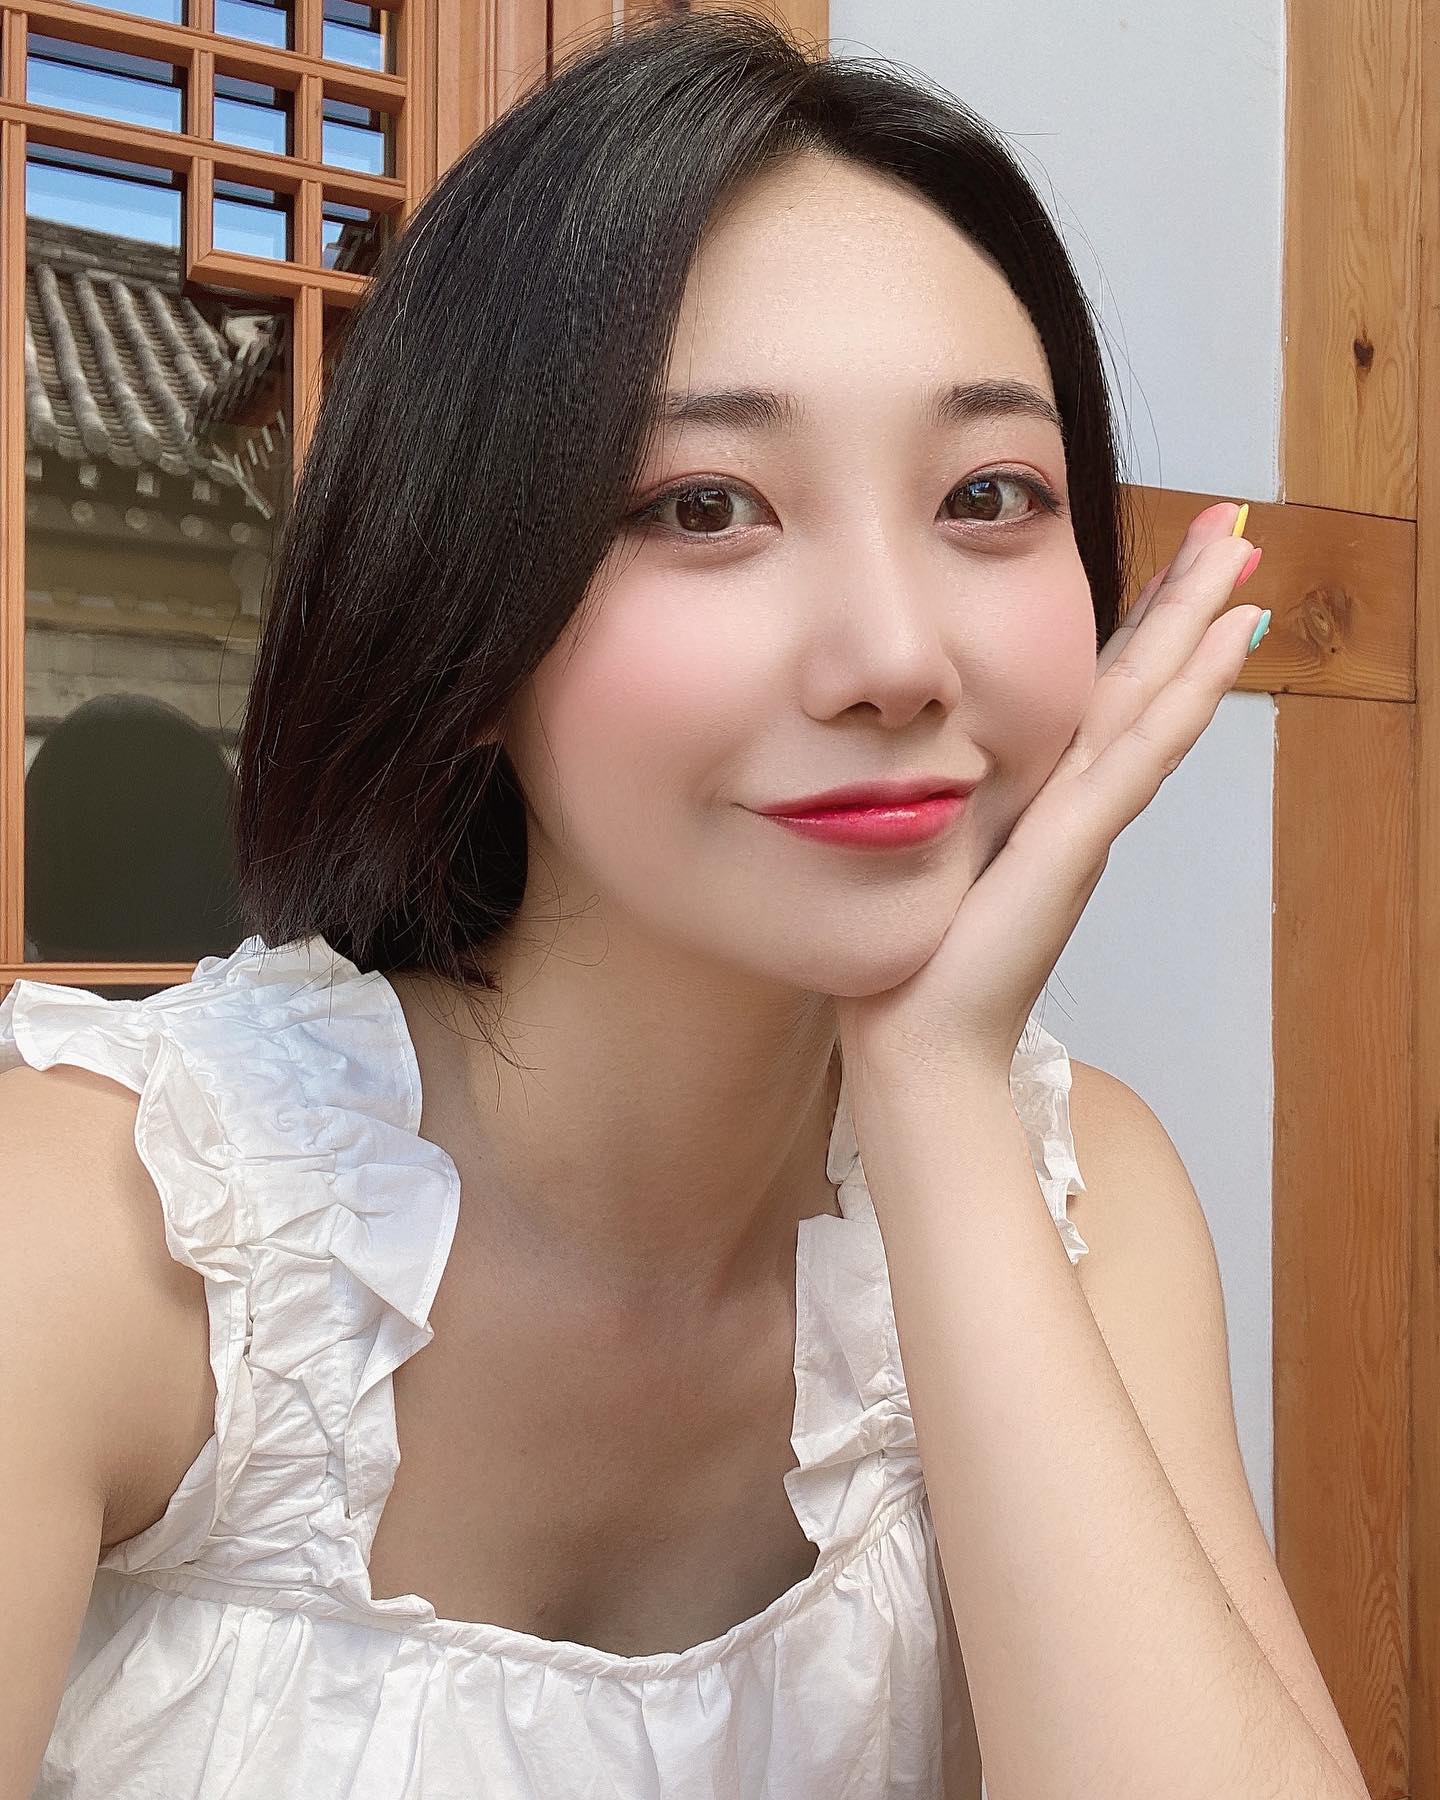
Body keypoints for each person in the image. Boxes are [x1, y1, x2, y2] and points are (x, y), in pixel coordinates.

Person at [0, 10, 1368, 1800]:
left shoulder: (1083, 1189)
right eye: (707, 506)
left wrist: (938, 1096)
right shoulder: (109, 1231)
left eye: (988, 495)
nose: (895, 654)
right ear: (464, 599)